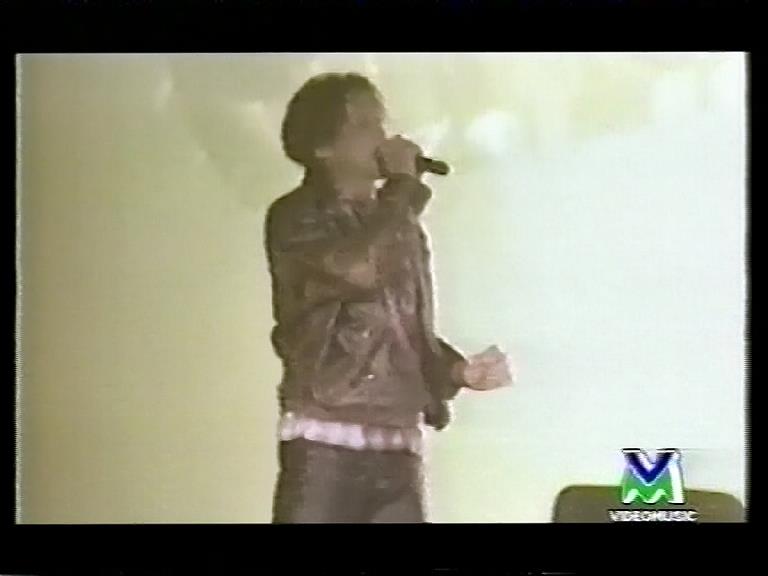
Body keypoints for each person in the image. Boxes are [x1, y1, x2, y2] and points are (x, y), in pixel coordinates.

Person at [265, 72, 514, 523]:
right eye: (364, 125)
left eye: (381, 123)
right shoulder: (296, 216)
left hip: (398, 448)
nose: (382, 136)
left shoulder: (400, 226)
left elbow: (404, 328)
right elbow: (359, 270)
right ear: (322, 147)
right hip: (326, 448)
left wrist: (456, 370)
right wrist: (402, 189)